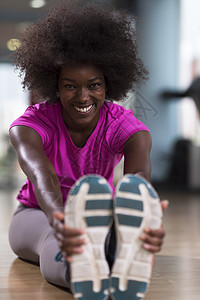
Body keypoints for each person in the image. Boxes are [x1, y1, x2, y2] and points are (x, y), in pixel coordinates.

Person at [8, 1, 168, 299]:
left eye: (94, 85)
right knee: (55, 240)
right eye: (70, 85)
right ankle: (82, 272)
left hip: (100, 215)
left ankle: (115, 256)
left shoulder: (126, 127)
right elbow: (42, 175)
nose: (83, 96)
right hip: (37, 213)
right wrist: (60, 219)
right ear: (55, 85)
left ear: (108, 85)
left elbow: (139, 178)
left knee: (103, 234)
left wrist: (146, 217)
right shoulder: (29, 125)